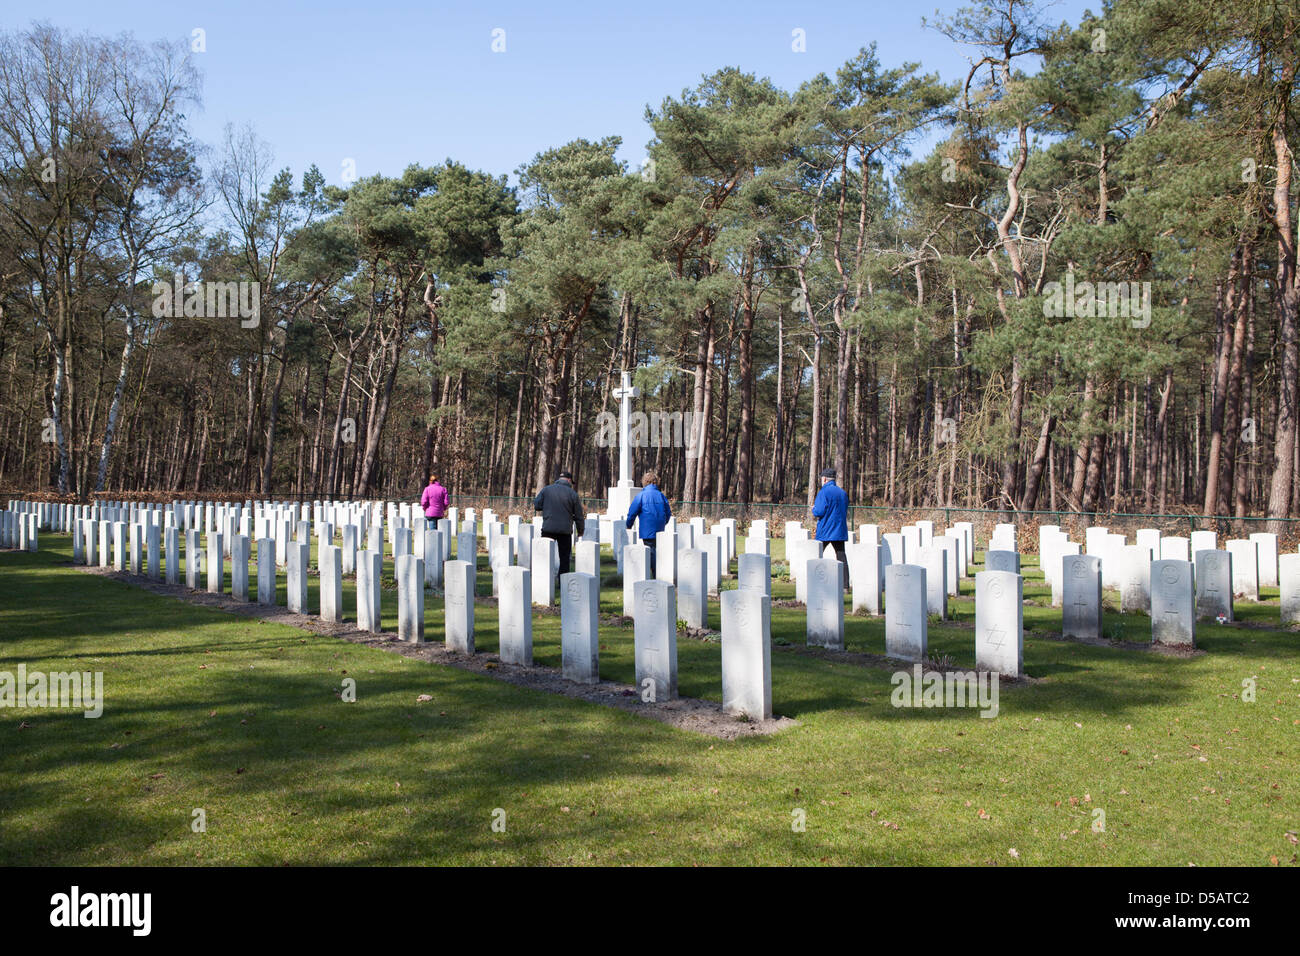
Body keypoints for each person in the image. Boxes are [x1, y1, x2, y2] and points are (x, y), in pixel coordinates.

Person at [534, 470, 584, 574]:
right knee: (564, 558)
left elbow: (537, 505)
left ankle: (544, 579)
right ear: (569, 480)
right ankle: (563, 583)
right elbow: (579, 515)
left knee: (545, 556)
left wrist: (548, 507)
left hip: (548, 528)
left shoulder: (546, 490)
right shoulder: (573, 494)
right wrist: (580, 531)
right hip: (564, 531)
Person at [626, 471, 671, 577]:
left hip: (647, 529)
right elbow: (668, 513)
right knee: (657, 551)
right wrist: (664, 523)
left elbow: (632, 512)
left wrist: (628, 525)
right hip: (660, 528)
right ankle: (658, 573)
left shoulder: (641, 496)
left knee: (650, 552)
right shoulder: (661, 496)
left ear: (645, 482)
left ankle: (655, 574)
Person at [812, 467, 849, 564]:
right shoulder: (843, 493)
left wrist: (814, 509)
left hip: (825, 529)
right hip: (839, 529)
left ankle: (815, 577)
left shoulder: (823, 492)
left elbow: (819, 512)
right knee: (841, 556)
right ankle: (845, 579)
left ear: (824, 479)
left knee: (817, 554)